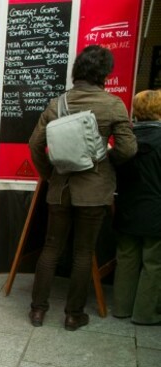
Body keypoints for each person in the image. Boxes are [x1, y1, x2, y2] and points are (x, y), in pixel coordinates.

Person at [27, 45, 137, 331]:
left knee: (50, 248)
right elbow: (127, 149)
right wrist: (104, 158)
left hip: (60, 188)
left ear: (77, 71)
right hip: (95, 188)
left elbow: (35, 144)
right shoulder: (113, 105)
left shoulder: (57, 103)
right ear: (104, 74)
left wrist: (50, 174)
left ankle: (37, 311)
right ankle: (73, 315)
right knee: (83, 252)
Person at [112, 90, 161, 325]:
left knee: (126, 257)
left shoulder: (126, 139)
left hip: (126, 207)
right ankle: (145, 313)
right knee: (154, 263)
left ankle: (121, 307)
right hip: (156, 211)